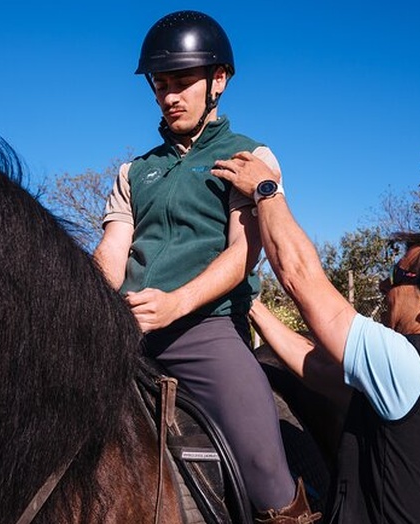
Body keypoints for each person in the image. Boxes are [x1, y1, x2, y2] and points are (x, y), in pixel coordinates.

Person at [92, 10, 320, 523]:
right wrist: (92, 305)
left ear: (218, 81)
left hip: (207, 329)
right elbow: (112, 251)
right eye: (160, 85)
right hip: (127, 326)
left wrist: (174, 304)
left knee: (264, 463)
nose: (169, 96)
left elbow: (243, 255)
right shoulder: (135, 170)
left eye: (182, 83)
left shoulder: (249, 156)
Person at [210, 153, 420, 523]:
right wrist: (251, 304)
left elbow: (300, 277)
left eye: (398, 278)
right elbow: (321, 368)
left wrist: (267, 190)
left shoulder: (413, 367)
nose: (385, 287)